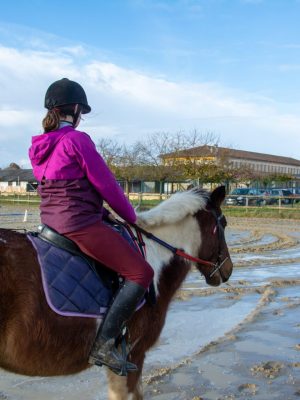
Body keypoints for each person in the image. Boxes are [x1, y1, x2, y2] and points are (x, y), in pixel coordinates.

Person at [29, 78, 154, 375]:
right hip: (78, 224)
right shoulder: (77, 140)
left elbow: (70, 187)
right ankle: (104, 345)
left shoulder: (39, 146)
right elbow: (105, 184)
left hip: (50, 221)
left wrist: (99, 212)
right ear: (74, 109)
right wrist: (129, 216)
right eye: (81, 111)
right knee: (141, 273)